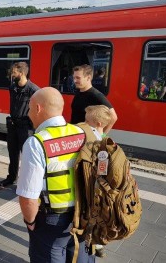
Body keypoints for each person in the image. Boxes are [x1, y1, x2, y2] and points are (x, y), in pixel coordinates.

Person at [16, 87, 94, 263]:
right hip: (82, 216)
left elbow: (28, 197)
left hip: (52, 222)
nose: (28, 114)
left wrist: (30, 222)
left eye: (29, 108)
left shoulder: (36, 143)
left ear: (38, 108)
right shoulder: (81, 133)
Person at [78, 105, 112, 259]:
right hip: (98, 187)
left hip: (94, 187)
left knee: (92, 215)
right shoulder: (104, 139)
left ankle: (96, 243)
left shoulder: (99, 142)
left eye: (88, 120)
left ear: (98, 124)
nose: (84, 123)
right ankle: (96, 243)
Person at [0, 62, 39, 187]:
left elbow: (38, 109)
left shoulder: (34, 90)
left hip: (26, 127)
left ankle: (28, 181)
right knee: (12, 153)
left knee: (27, 156)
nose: (12, 74)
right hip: (13, 125)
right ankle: (11, 178)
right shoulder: (12, 87)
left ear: (21, 73)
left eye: (14, 72)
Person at [71, 64, 117, 134]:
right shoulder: (79, 92)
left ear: (88, 78)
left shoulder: (96, 95)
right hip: (75, 134)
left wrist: (101, 136)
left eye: (78, 78)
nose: (75, 81)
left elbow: (113, 117)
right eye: (74, 78)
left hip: (86, 137)